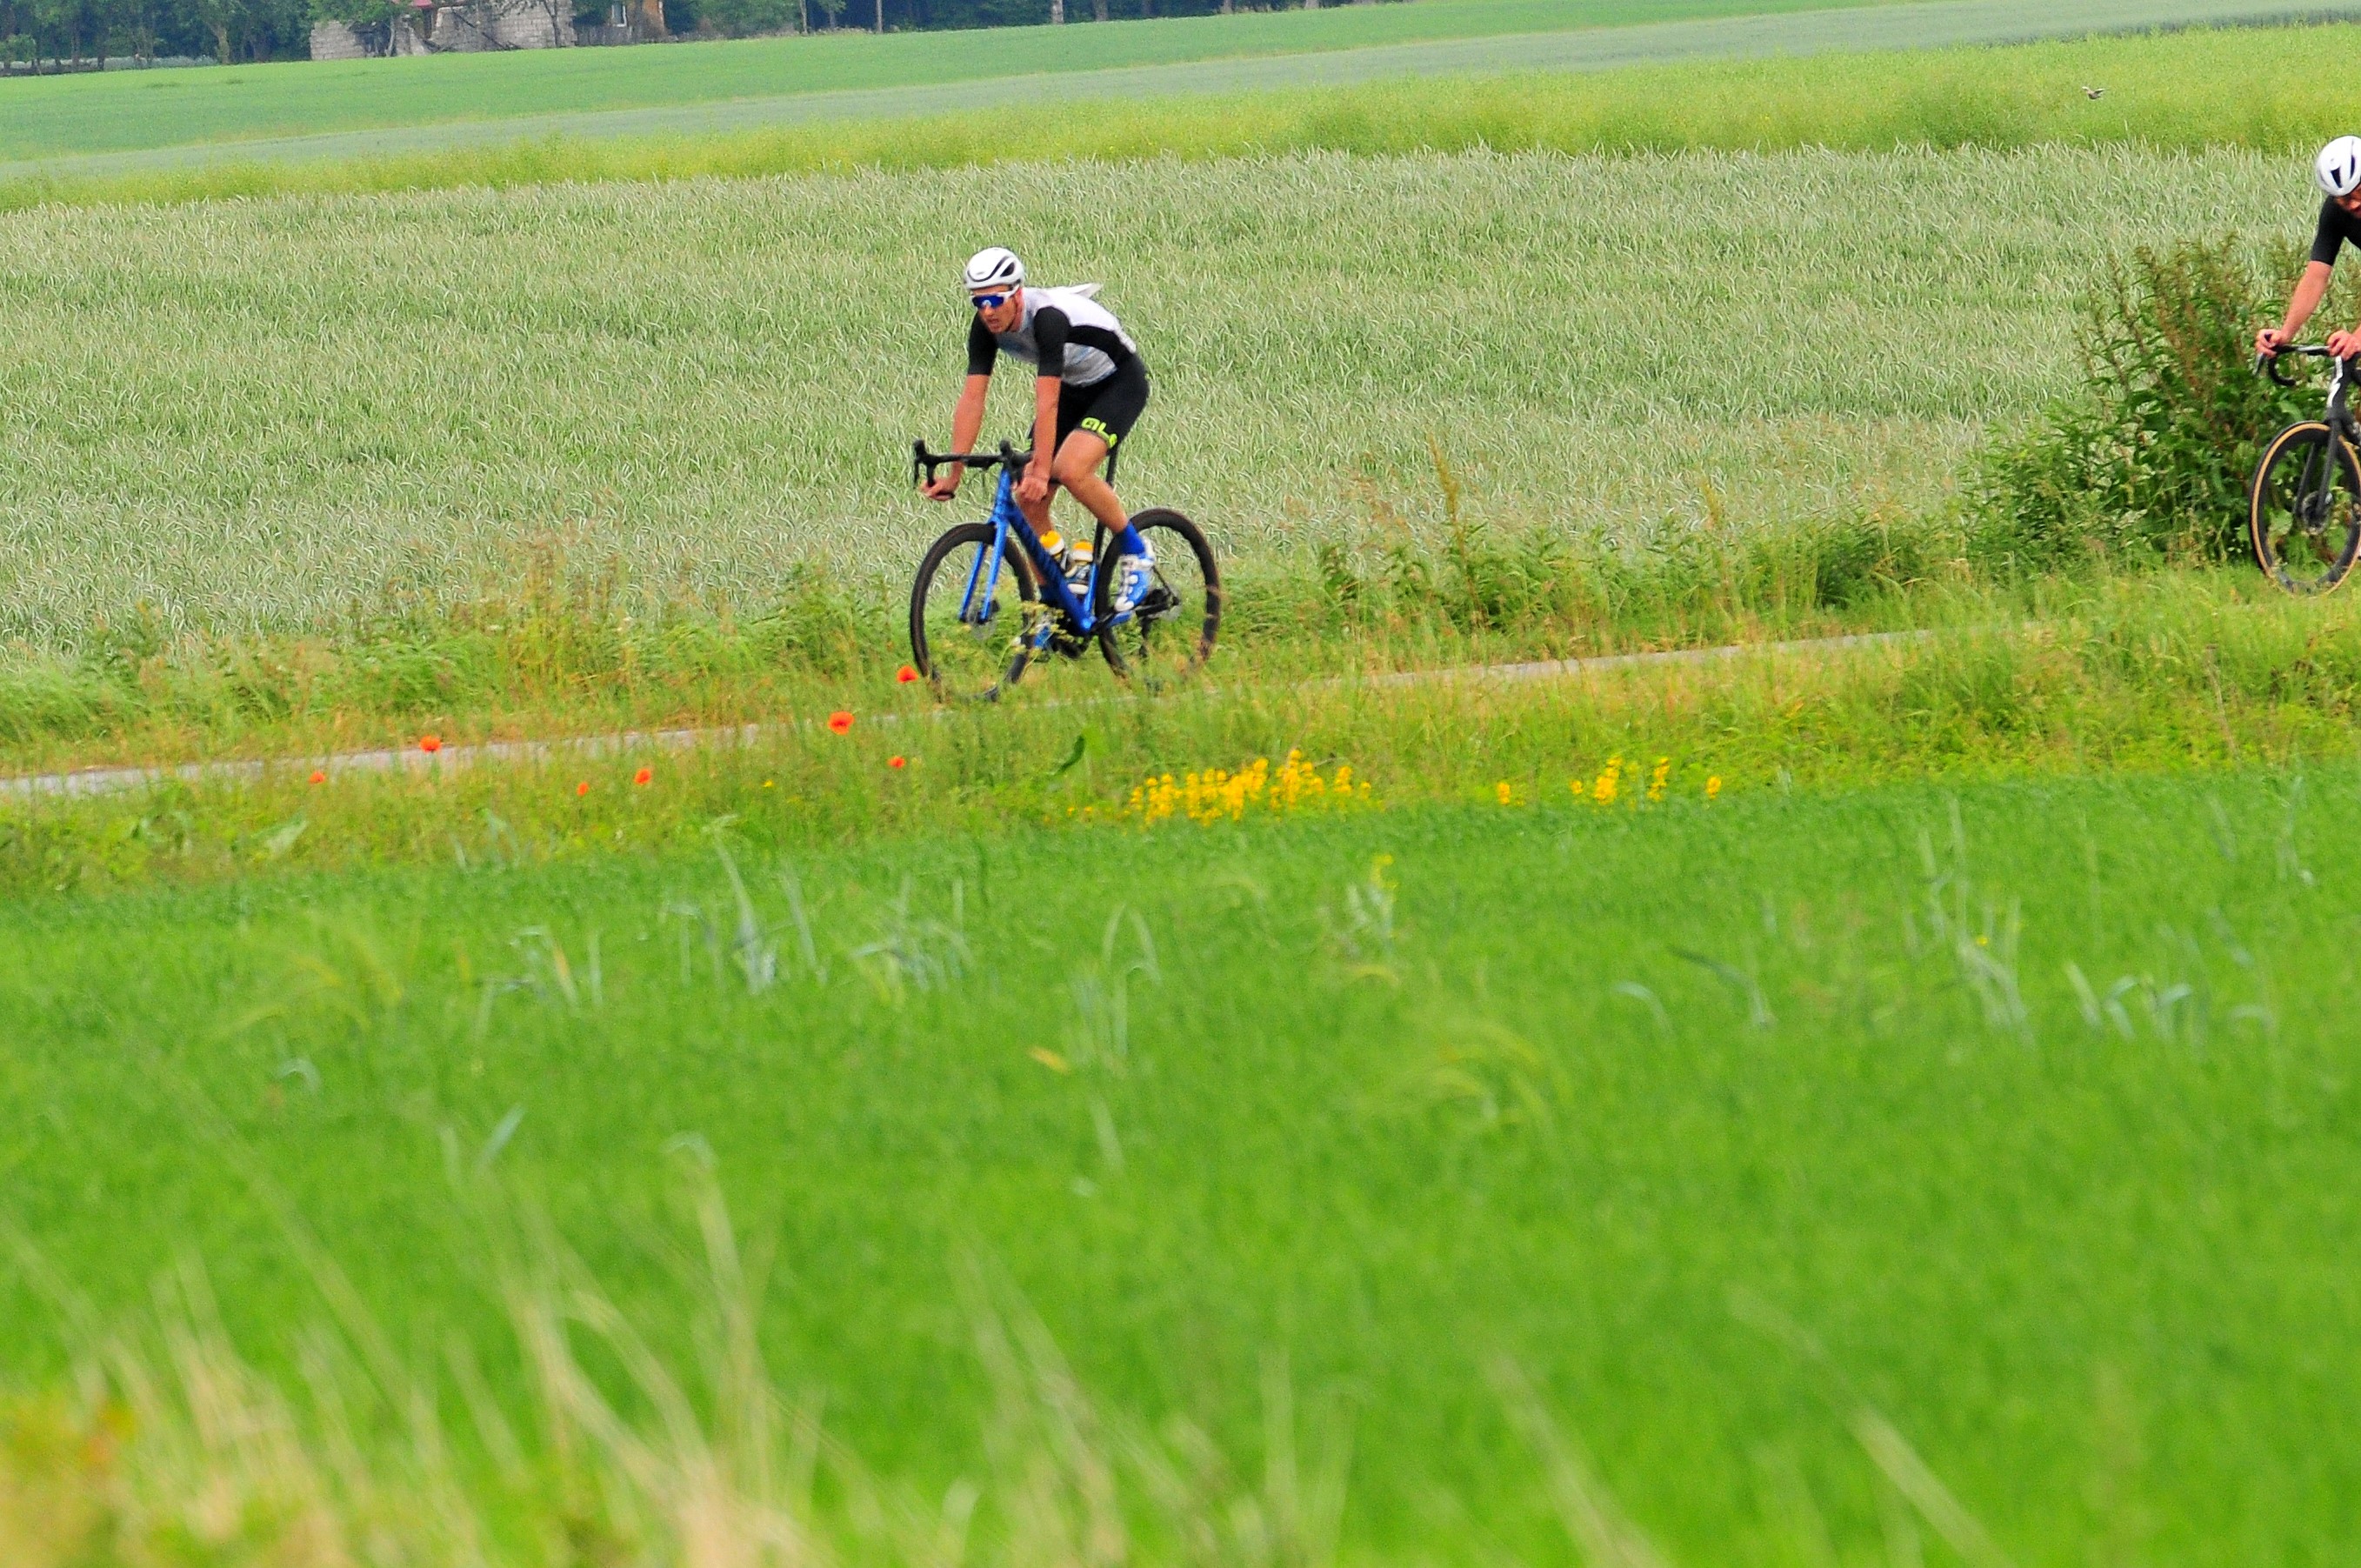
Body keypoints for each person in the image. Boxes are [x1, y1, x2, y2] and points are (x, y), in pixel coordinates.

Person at [920, 246, 1155, 615]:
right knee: (1028, 497)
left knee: (1070, 470)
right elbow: (972, 398)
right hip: (1074, 388)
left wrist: (1043, 470)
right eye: (978, 302)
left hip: (1118, 383)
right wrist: (954, 473)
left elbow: (1047, 401)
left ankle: (1136, 551)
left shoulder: (1047, 318)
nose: (987, 311)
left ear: (1016, 293)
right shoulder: (985, 327)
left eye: (995, 300)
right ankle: (1056, 601)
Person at [2258, 136, 2361, 361]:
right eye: (2344, 199)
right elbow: (2316, 276)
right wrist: (2285, 334)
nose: (2354, 204)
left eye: (2360, 192)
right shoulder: (2335, 212)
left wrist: (2357, 339)